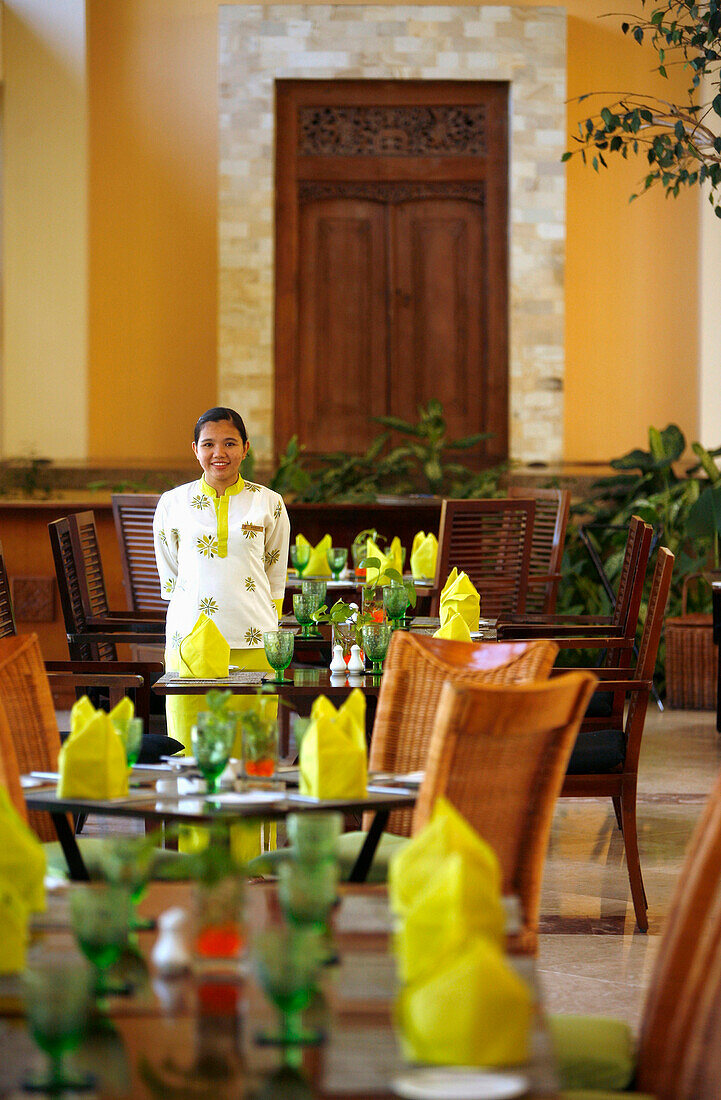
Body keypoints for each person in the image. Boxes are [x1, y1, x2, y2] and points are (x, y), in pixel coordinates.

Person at [153, 407, 290, 752]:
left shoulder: (269, 503)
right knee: (189, 751)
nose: (219, 453)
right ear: (195, 449)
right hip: (190, 645)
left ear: (245, 448)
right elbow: (169, 573)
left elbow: (275, 573)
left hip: (255, 641)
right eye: (209, 444)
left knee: (251, 752)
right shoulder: (172, 503)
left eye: (229, 443)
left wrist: (268, 623)